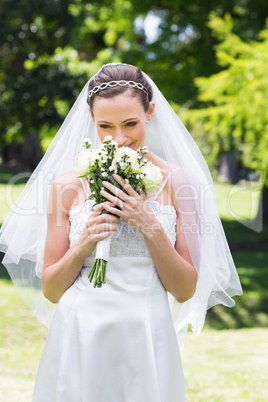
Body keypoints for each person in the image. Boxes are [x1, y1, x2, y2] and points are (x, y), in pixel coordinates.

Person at [0, 63, 242, 401]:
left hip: (147, 331)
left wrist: (148, 225)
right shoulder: (66, 186)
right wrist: (82, 244)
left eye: (131, 123)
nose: (120, 138)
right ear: (90, 118)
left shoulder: (177, 183)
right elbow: (52, 290)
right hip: (80, 332)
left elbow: (185, 289)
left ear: (150, 112)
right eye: (105, 126)